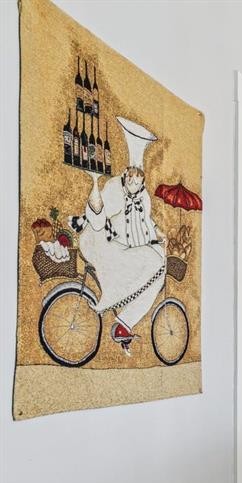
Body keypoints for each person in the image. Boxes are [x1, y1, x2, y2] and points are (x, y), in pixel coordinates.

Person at [74, 116, 166, 355]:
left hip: (127, 245)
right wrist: (95, 186)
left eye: (140, 178)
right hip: (103, 242)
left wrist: (158, 232)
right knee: (153, 265)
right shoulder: (115, 187)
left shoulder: (143, 196)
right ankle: (123, 320)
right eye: (133, 177)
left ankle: (124, 322)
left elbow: (146, 221)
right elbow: (97, 218)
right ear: (127, 174)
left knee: (158, 265)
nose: (136, 182)